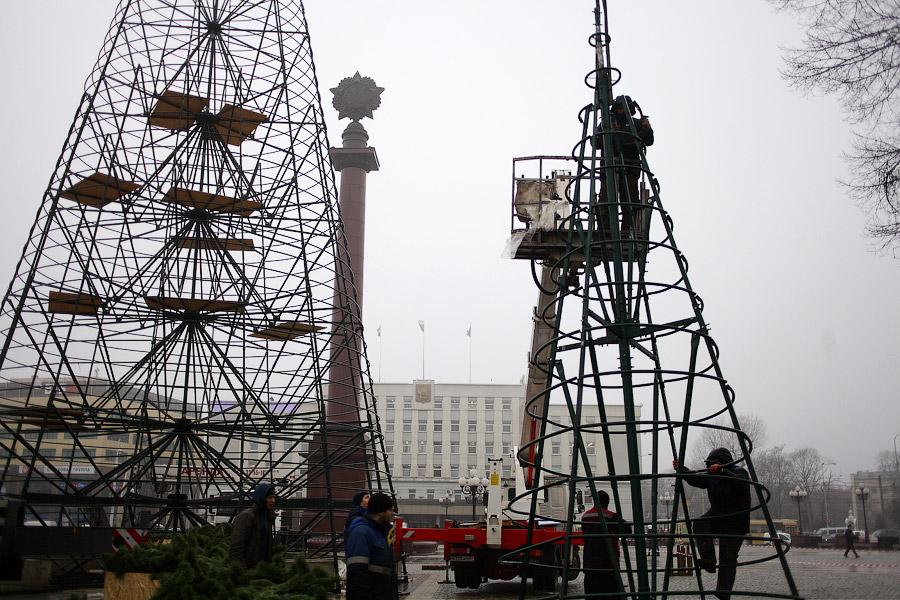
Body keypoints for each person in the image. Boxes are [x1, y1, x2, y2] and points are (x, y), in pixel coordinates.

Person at [674, 448, 750, 600]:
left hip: (735, 521)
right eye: (709, 464)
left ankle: (723, 592)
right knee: (700, 524)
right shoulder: (711, 475)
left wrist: (722, 472)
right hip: (717, 515)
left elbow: (740, 484)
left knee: (727, 557)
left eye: (714, 463)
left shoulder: (739, 472)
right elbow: (696, 479)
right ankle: (708, 560)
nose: (711, 466)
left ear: (723, 463)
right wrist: (682, 469)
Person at [345, 492, 399, 600]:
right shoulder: (361, 533)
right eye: (390, 510)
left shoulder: (380, 532)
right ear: (380, 512)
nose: (392, 513)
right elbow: (357, 573)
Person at [581, 490, 629, 599]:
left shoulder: (585, 517)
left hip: (589, 566)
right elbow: (627, 530)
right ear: (607, 502)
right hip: (608, 566)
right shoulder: (611, 516)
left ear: (594, 501)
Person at [229, 482, 276, 568]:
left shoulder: (268, 517)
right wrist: (242, 572)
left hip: (261, 571)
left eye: (274, 497)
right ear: (261, 498)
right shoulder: (246, 516)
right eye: (270, 497)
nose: (273, 501)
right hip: (248, 570)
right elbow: (237, 548)